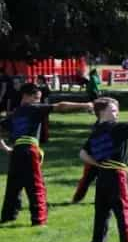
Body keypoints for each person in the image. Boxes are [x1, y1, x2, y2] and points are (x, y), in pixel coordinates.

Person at [0, 83, 93, 226]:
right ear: (27, 96)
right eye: (37, 98)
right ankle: (38, 219)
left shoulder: (16, 113)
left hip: (17, 151)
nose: (39, 101)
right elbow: (61, 106)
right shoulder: (34, 108)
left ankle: (8, 216)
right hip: (29, 150)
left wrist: (6, 147)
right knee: (36, 185)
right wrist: (85, 105)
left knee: (13, 186)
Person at [79, 97, 128, 242]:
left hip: (102, 174)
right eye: (114, 110)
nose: (117, 114)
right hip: (117, 175)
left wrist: (98, 164)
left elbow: (82, 153)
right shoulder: (115, 128)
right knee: (123, 209)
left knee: (101, 210)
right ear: (102, 112)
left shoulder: (95, 131)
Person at [37, 75, 52, 143]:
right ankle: (41, 137)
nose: (37, 80)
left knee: (44, 123)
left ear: (41, 80)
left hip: (43, 106)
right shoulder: (38, 88)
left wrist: (46, 107)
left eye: (38, 79)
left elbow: (46, 99)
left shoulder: (44, 88)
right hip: (39, 106)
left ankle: (45, 138)